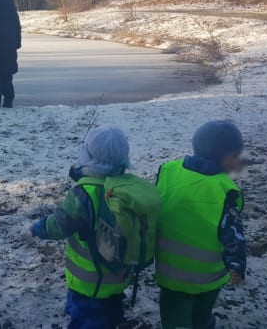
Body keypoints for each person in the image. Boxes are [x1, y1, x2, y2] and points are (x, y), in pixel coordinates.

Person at [30, 127, 135, 329]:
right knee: (111, 308)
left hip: (89, 282)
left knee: (88, 318)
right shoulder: (126, 188)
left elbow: (59, 225)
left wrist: (37, 228)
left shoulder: (84, 194)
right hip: (119, 274)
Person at [156, 121, 246, 329]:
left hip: (172, 273)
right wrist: (236, 264)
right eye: (235, 156)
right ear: (223, 157)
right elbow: (232, 232)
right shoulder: (224, 189)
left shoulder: (169, 170)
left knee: (174, 317)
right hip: (208, 276)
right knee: (202, 312)